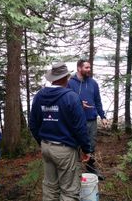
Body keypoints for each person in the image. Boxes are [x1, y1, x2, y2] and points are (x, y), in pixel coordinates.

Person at [29, 62, 91, 201]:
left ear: (52, 78)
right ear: (67, 77)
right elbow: (80, 128)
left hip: (46, 147)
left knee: (50, 188)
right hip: (65, 150)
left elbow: (33, 124)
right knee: (69, 191)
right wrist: (86, 149)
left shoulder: (40, 96)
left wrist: (43, 142)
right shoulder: (71, 97)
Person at [67, 59, 107, 180]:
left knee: (91, 146)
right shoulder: (70, 83)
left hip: (91, 119)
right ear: (79, 68)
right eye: (86, 68)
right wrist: (79, 104)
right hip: (76, 121)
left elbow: (98, 101)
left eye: (90, 67)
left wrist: (103, 116)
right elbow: (66, 102)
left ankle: (92, 170)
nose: (89, 70)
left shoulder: (93, 83)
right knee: (76, 146)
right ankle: (76, 171)